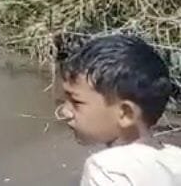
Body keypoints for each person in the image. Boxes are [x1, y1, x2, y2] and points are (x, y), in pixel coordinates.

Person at [56, 34, 181, 185]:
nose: (64, 112)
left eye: (76, 102)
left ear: (125, 114)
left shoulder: (107, 170)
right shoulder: (175, 159)